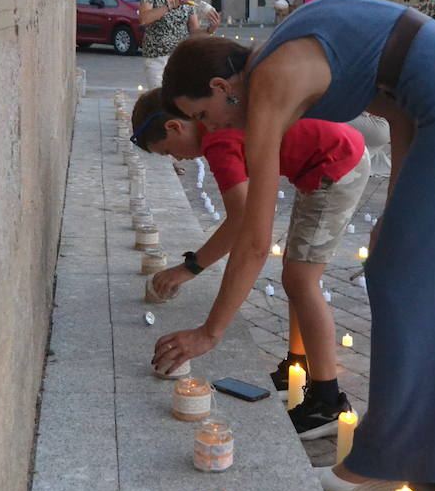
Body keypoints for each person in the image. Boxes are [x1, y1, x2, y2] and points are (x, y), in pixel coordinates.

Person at [153, 0, 435, 491]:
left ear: (222, 87)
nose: (213, 129)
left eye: (204, 115)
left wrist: (209, 332)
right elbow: (399, 113)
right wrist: (395, 211)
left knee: (400, 283)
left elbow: (256, 238)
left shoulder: (271, 81)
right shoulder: (276, 57)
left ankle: (385, 464)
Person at [130, 88, 370, 438]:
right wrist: (191, 268)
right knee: (295, 275)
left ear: (174, 127)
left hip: (337, 164)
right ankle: (297, 369)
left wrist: (209, 330)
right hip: (326, 161)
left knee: (301, 280)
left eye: (169, 151)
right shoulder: (217, 128)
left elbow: (247, 230)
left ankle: (328, 403)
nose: (178, 159)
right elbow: (242, 219)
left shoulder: (217, 140)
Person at [138, 0, 219, 88]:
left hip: (180, 57)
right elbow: (144, 19)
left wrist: (210, 29)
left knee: (181, 96)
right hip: (156, 58)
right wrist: (171, 5)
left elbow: (194, 31)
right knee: (161, 96)